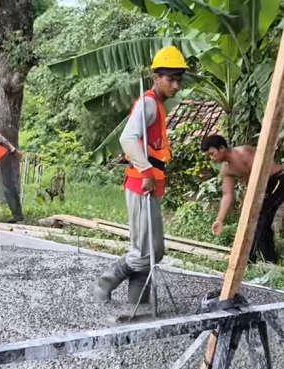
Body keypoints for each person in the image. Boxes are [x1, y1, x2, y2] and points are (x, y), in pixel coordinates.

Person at [93, 46, 187, 305]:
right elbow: (127, 138)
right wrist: (146, 171)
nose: (176, 85)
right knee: (143, 251)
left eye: (179, 79)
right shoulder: (148, 103)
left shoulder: (157, 105)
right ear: (156, 78)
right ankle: (106, 283)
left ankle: (138, 299)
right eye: (171, 79)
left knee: (154, 249)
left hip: (151, 184)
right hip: (141, 183)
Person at [202, 134, 283, 264]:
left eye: (212, 153)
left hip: (277, 179)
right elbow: (228, 194)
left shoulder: (243, 152)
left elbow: (261, 172)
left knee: (260, 217)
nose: (212, 158)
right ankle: (249, 260)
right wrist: (220, 220)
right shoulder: (227, 170)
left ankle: (269, 261)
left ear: (222, 148)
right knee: (250, 219)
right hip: (260, 188)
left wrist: (254, 197)